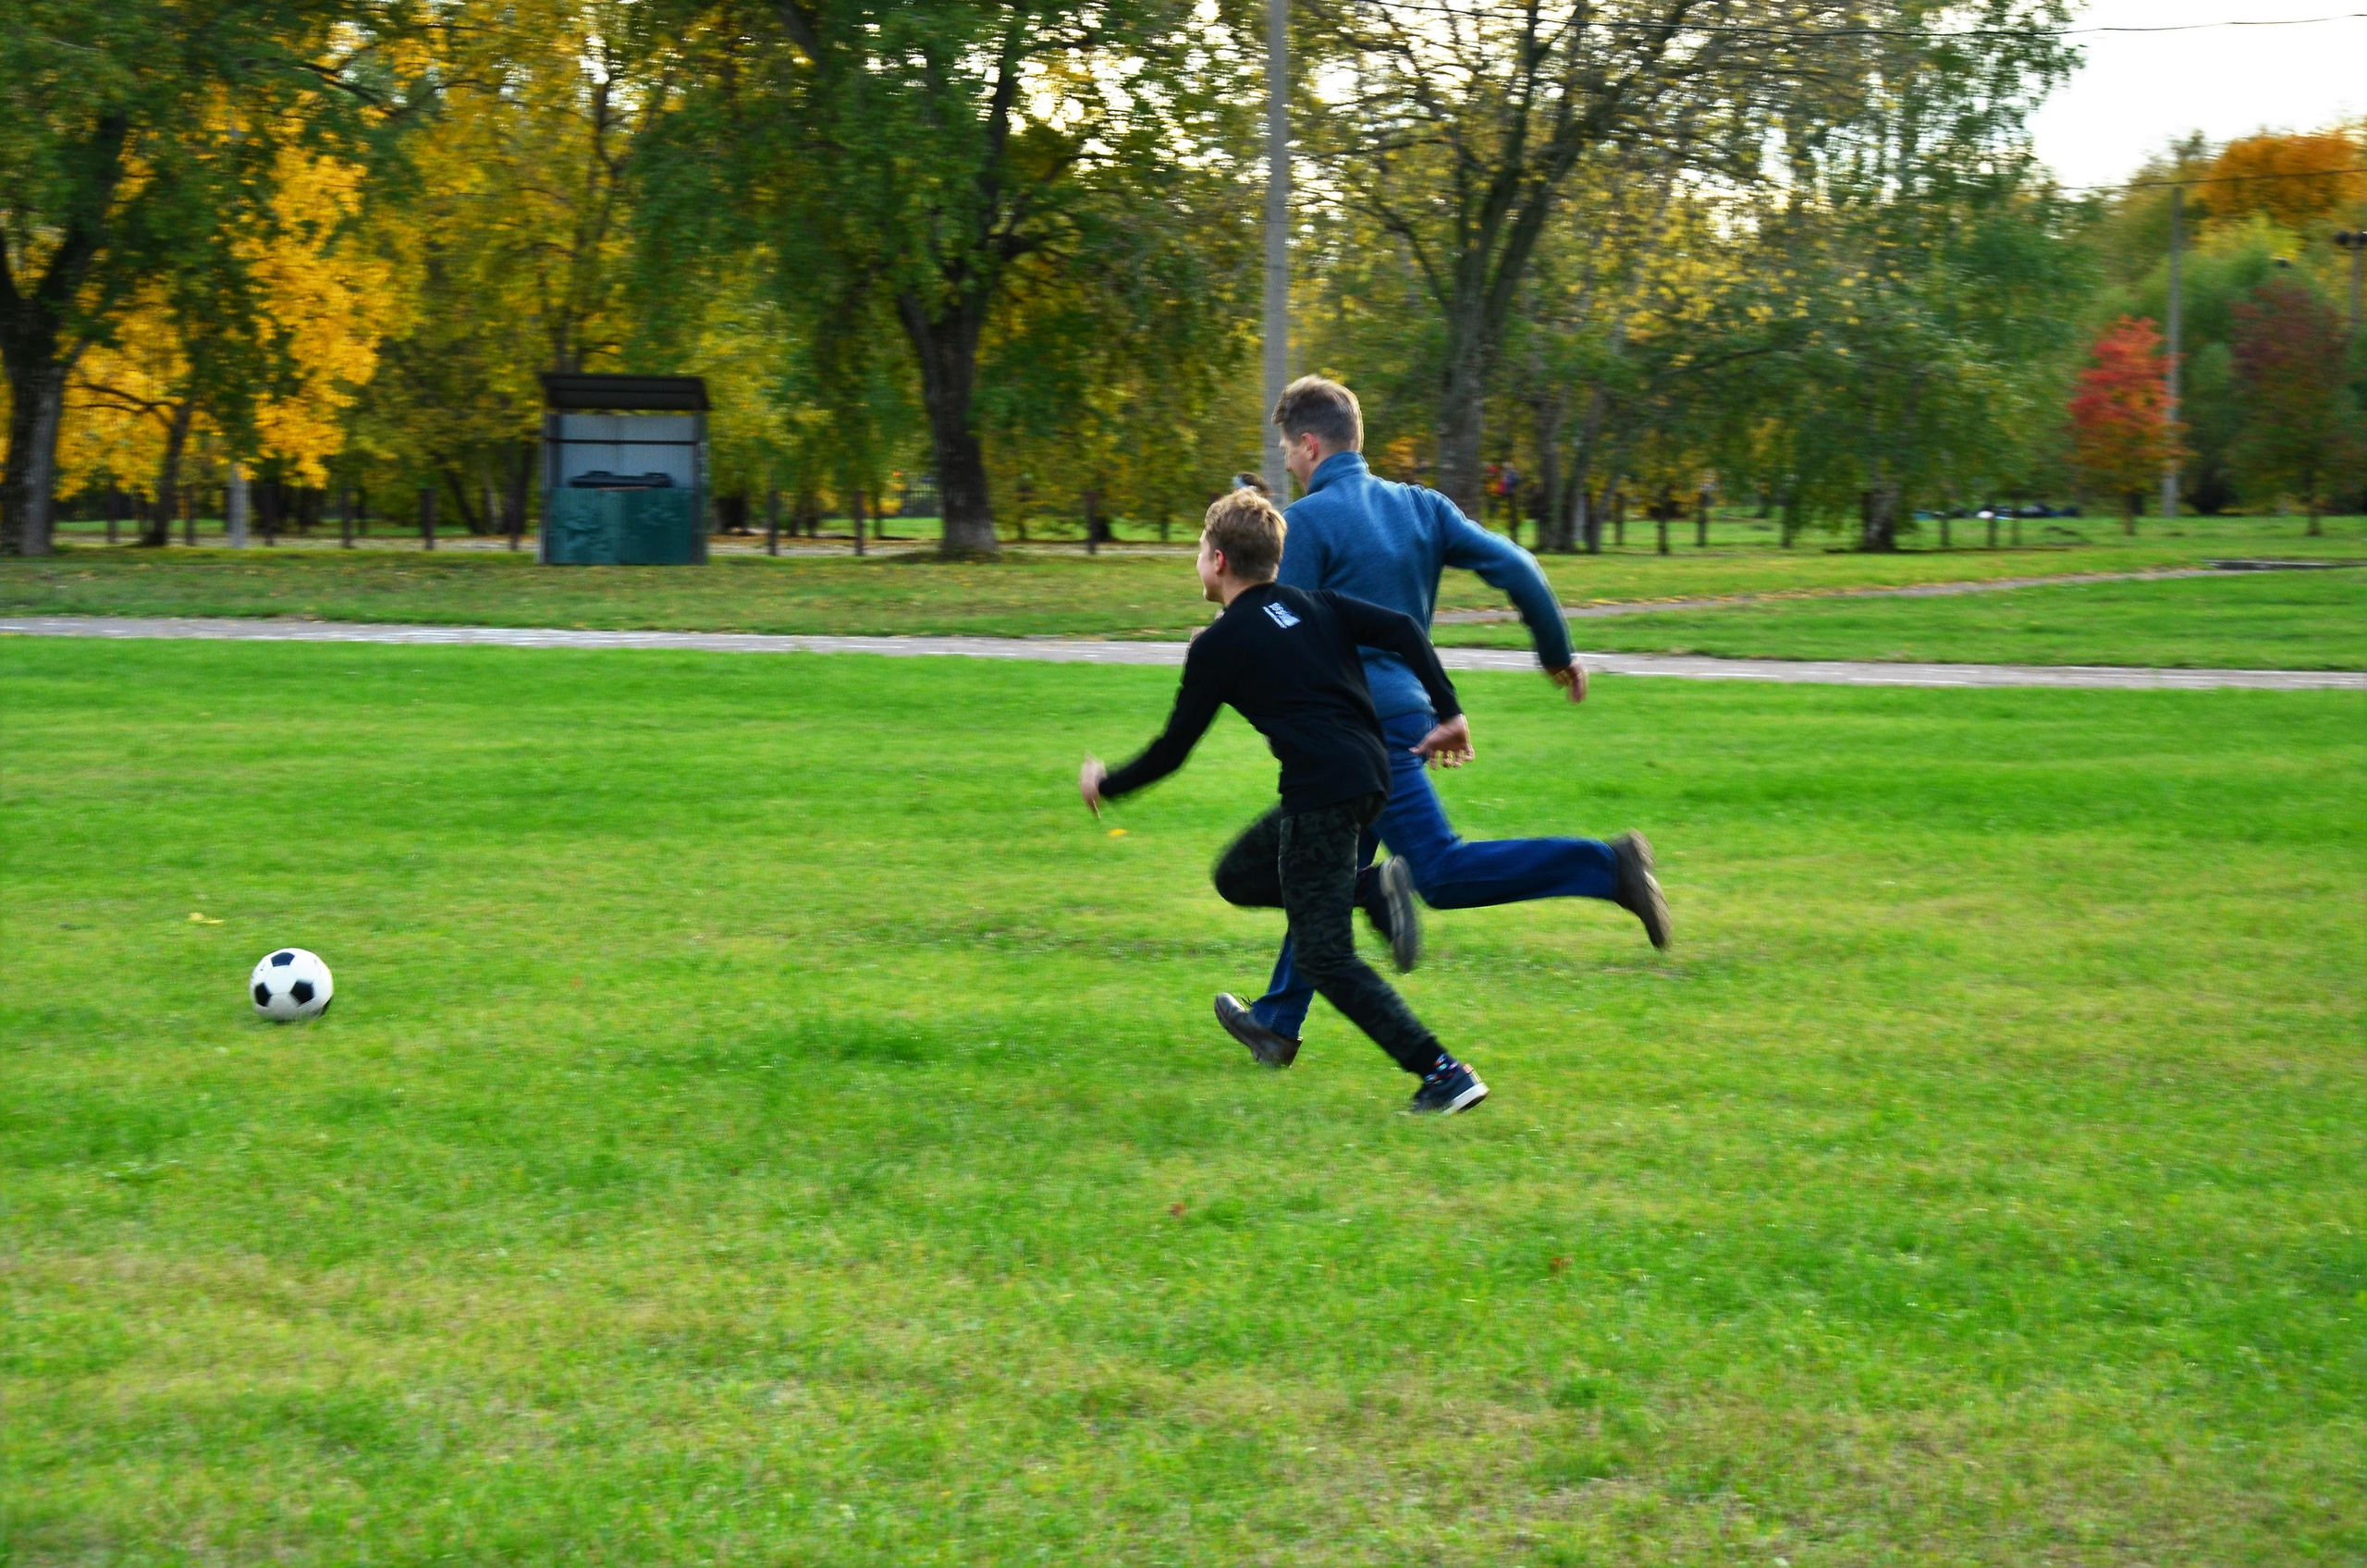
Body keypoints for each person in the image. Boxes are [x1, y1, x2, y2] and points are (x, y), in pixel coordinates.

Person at [1227, 375, 1670, 1064]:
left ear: (1310, 445)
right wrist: (1556, 651)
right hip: (1404, 715)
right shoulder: (1424, 507)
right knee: (1332, 861)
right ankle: (1278, 1022)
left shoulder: (1306, 523)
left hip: (1360, 730)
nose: (1286, 462)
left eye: (1288, 449)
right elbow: (1518, 568)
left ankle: (1607, 866)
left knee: (1438, 871)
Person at [1079, 490, 1491, 1115]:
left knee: (1326, 955)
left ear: (1218, 560)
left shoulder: (1219, 646)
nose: (1197, 564)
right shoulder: (1315, 604)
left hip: (1323, 791)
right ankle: (1370, 888)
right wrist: (1449, 709)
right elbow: (1404, 628)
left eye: (1197, 553)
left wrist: (1104, 782)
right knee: (1237, 875)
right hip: (1370, 773)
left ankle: (1443, 1073)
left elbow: (1173, 750)